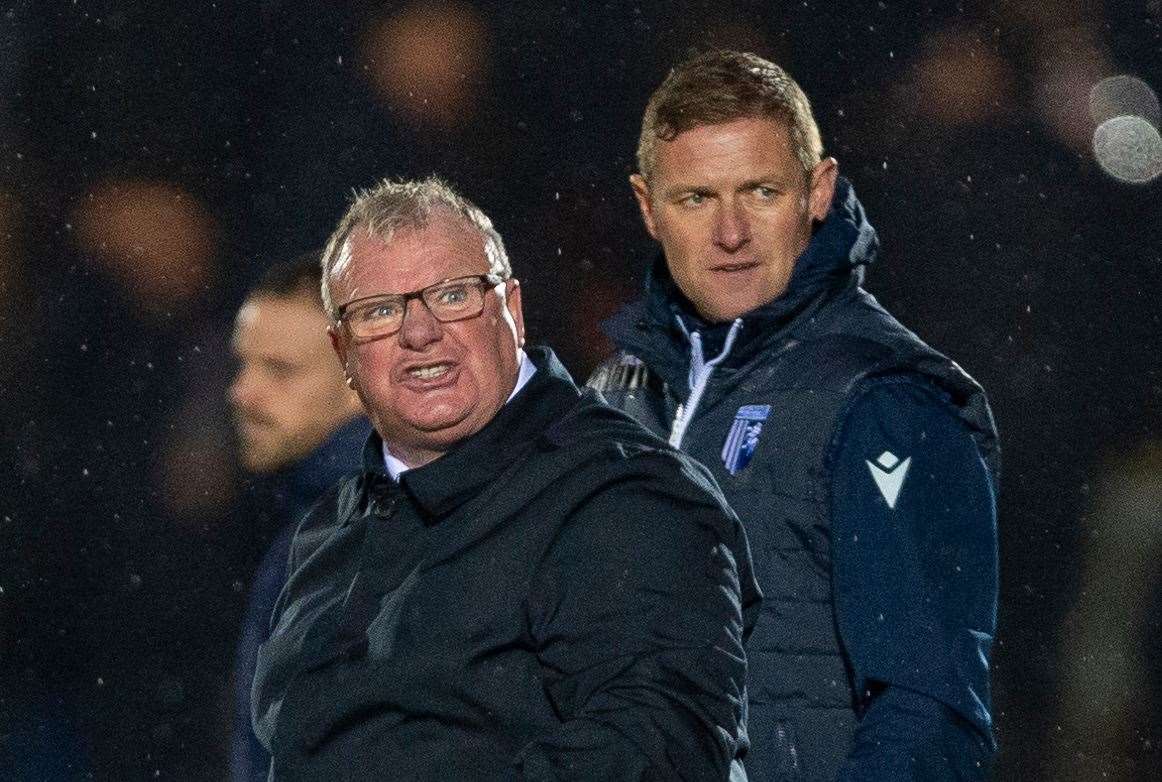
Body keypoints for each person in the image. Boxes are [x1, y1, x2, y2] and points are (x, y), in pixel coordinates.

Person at [249, 176, 760, 780]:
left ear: (511, 310)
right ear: (343, 354)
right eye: (379, 312)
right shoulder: (324, 534)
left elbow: (651, 750)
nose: (419, 334)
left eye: (452, 295)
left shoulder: (626, 499)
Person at [588, 51, 1001, 781]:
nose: (731, 232)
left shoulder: (883, 402)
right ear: (648, 208)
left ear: (818, 191)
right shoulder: (615, 395)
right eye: (695, 199)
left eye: (761, 192)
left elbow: (926, 710)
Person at [228, 256, 369, 782]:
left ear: (361, 379)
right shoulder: (312, 524)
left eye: (280, 369)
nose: (242, 392)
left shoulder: (352, 537)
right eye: (242, 365)